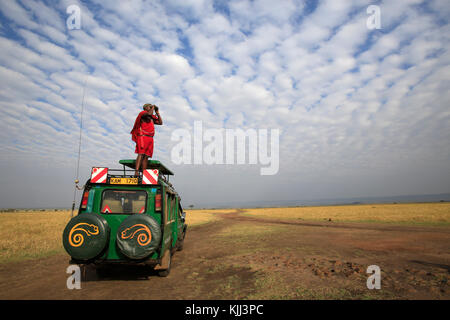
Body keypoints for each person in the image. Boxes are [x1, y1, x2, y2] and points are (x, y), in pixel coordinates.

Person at [130, 103, 163, 176]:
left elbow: (160, 122)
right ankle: (136, 172)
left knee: (146, 156)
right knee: (141, 154)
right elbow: (149, 114)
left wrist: (157, 113)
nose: (151, 108)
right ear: (145, 108)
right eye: (150, 107)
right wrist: (153, 107)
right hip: (143, 136)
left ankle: (144, 173)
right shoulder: (142, 114)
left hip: (150, 138)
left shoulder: (151, 118)